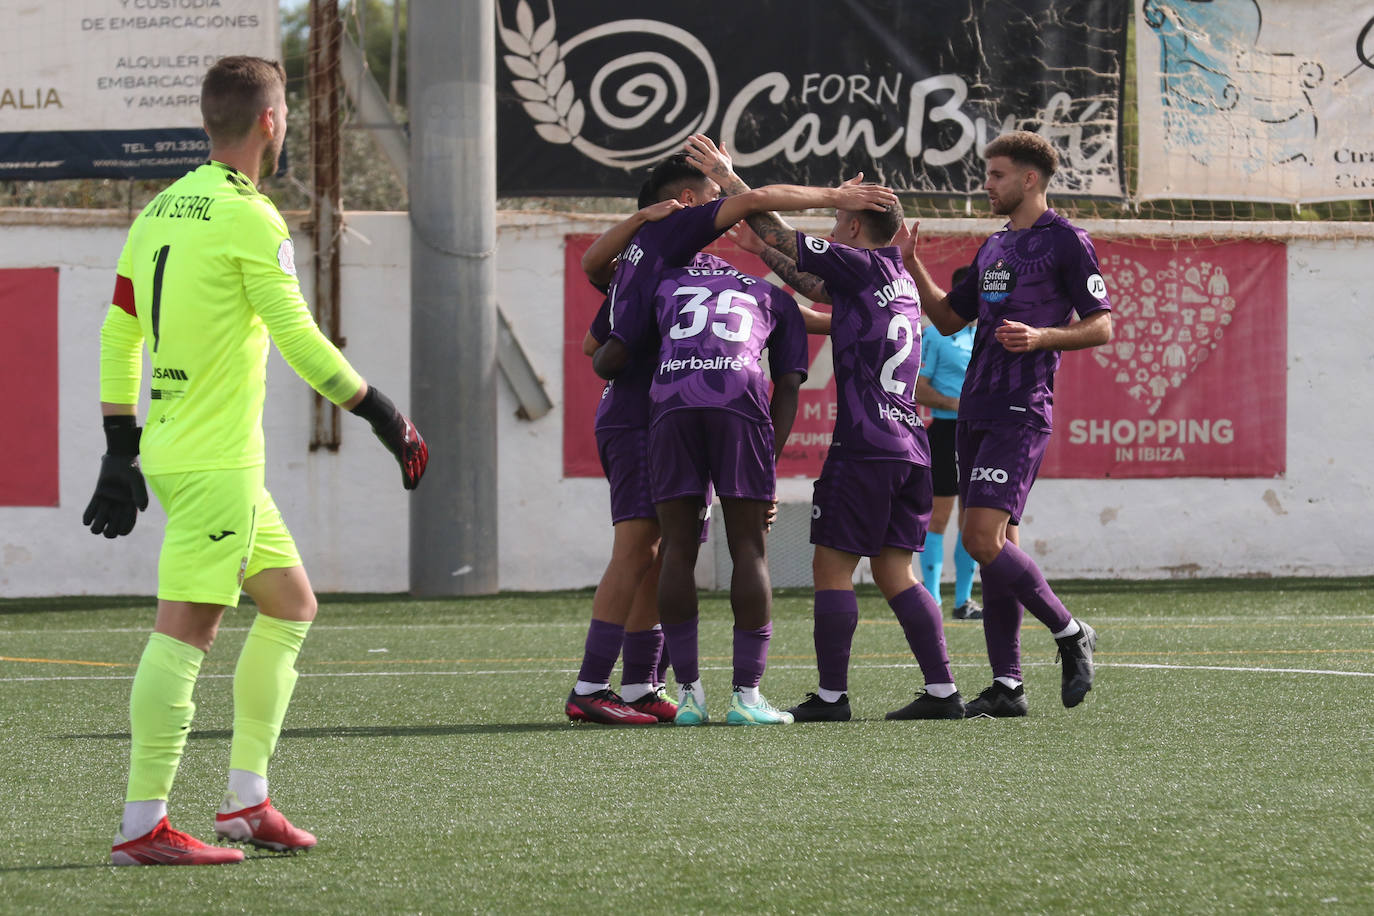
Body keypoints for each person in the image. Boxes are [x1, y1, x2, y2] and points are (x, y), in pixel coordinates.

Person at [86, 56, 428, 865]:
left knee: (290, 606)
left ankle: (247, 801)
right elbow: (301, 340)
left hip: (181, 455)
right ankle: (143, 822)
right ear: (271, 123)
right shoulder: (251, 217)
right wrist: (385, 414)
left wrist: (120, 447)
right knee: (184, 637)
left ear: (209, 121)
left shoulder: (160, 209)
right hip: (218, 467)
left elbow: (118, 334)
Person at [594, 177, 896, 726]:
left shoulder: (660, 277)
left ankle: (688, 699)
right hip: (739, 403)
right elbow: (787, 384)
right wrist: (768, 463)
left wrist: (632, 344)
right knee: (749, 550)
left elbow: (607, 355)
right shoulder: (768, 293)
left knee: (677, 548)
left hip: (669, 406)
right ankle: (746, 698)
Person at [685, 135, 964, 723]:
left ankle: (833, 697)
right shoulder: (899, 280)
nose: (835, 230)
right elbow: (814, 294)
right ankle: (942, 690)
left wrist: (731, 182)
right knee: (895, 570)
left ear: (859, 229)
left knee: (831, 569)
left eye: (840, 220)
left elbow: (785, 236)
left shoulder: (858, 264)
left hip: (864, 447)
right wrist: (761, 254)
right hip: (910, 447)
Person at [898, 130, 1111, 718]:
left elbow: (1101, 325)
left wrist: (1044, 336)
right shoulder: (992, 247)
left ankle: (1070, 632)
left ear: (1029, 179)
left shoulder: (1067, 241)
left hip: (1022, 408)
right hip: (973, 411)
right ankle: (1007, 687)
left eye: (995, 175)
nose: (985, 185)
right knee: (999, 547)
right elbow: (945, 318)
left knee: (980, 539)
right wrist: (912, 262)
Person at [915, 265, 982, 620]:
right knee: (939, 516)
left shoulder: (988, 335)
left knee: (973, 520)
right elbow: (918, 388)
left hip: (980, 435)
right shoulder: (936, 335)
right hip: (945, 434)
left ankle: (963, 602)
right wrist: (958, 404)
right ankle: (932, 601)